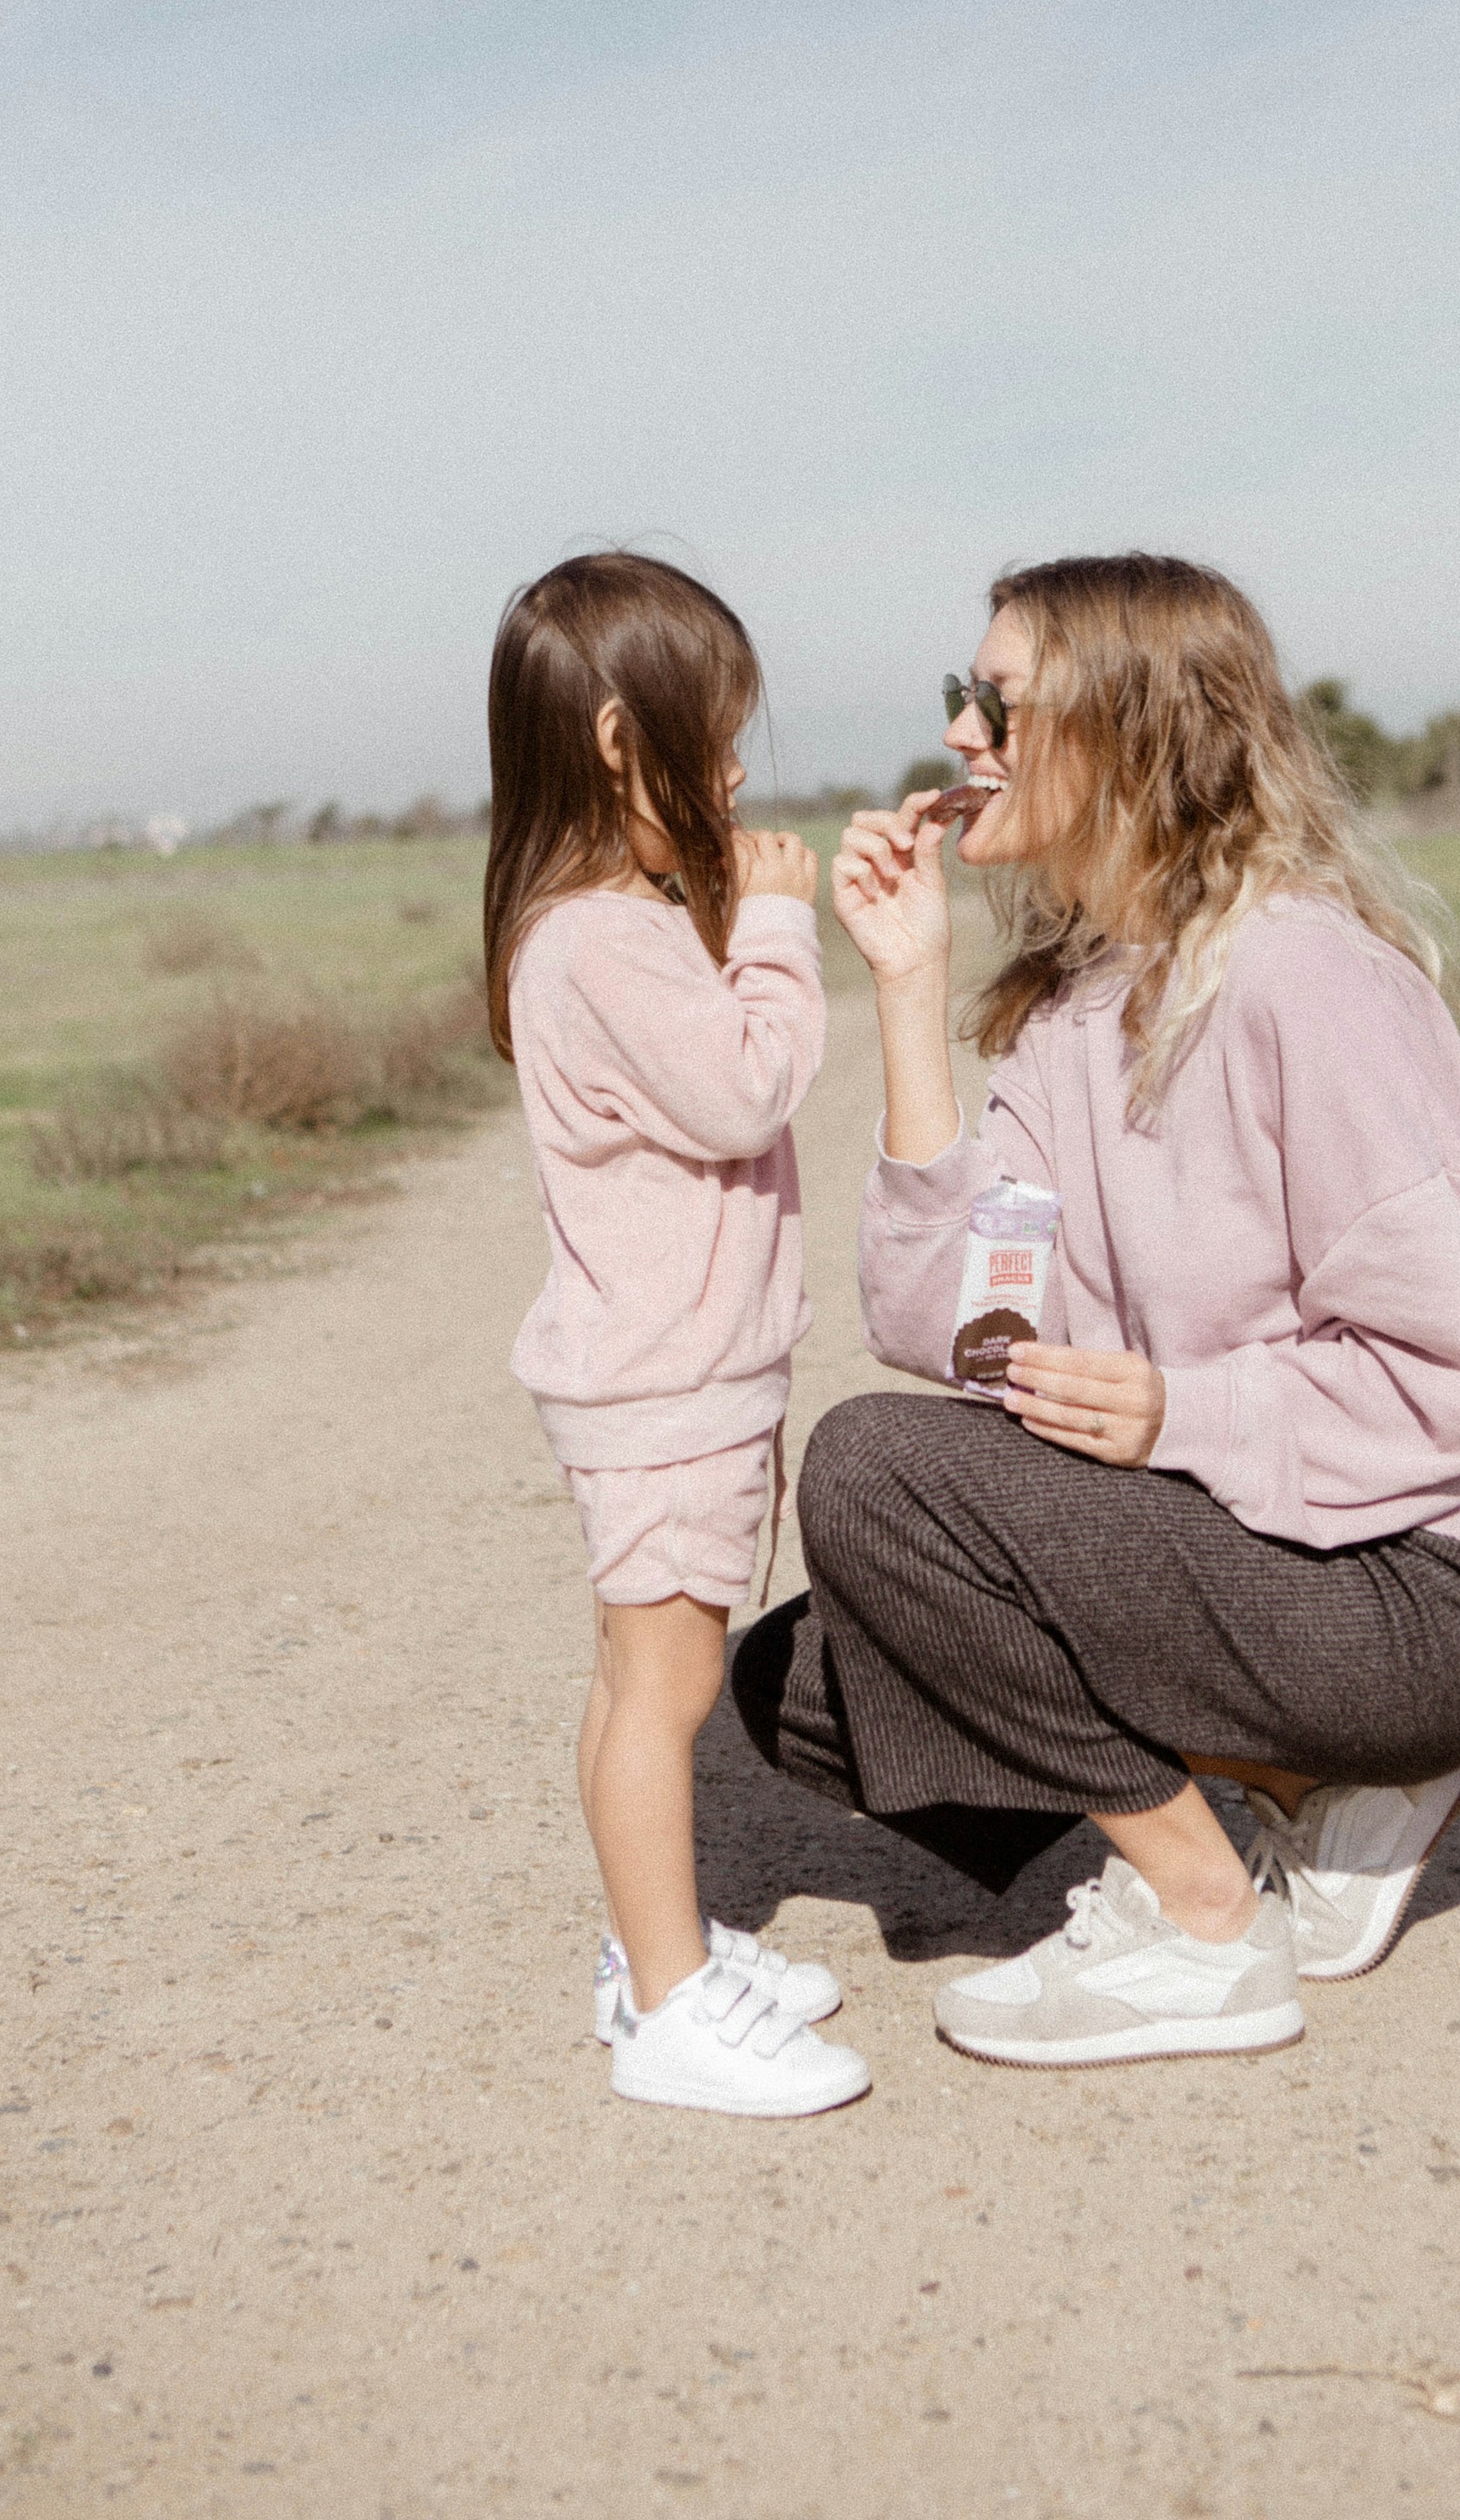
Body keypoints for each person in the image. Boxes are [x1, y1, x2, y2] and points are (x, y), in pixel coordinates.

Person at [732, 551, 1460, 2068]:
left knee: (872, 1470)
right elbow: (963, 1333)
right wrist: (911, 993)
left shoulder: (1306, 979)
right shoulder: (1073, 1010)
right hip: (1254, 1555)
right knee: (804, 1687)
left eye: (996, 702)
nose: (962, 734)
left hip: (1416, 1591)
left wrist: (1187, 1410)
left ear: (1129, 729)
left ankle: (1206, 1924)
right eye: (960, 697)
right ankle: (1281, 1794)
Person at [484, 552, 868, 2117]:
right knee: (669, 1692)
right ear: (622, 745)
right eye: (713, 750)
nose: (729, 780)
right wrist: (778, 927)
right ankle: (672, 2005)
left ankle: (656, 1945)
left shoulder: (590, 925)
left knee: (629, 1676)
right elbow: (745, 1085)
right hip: (672, 1389)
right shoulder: (607, 941)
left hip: (654, 1380)